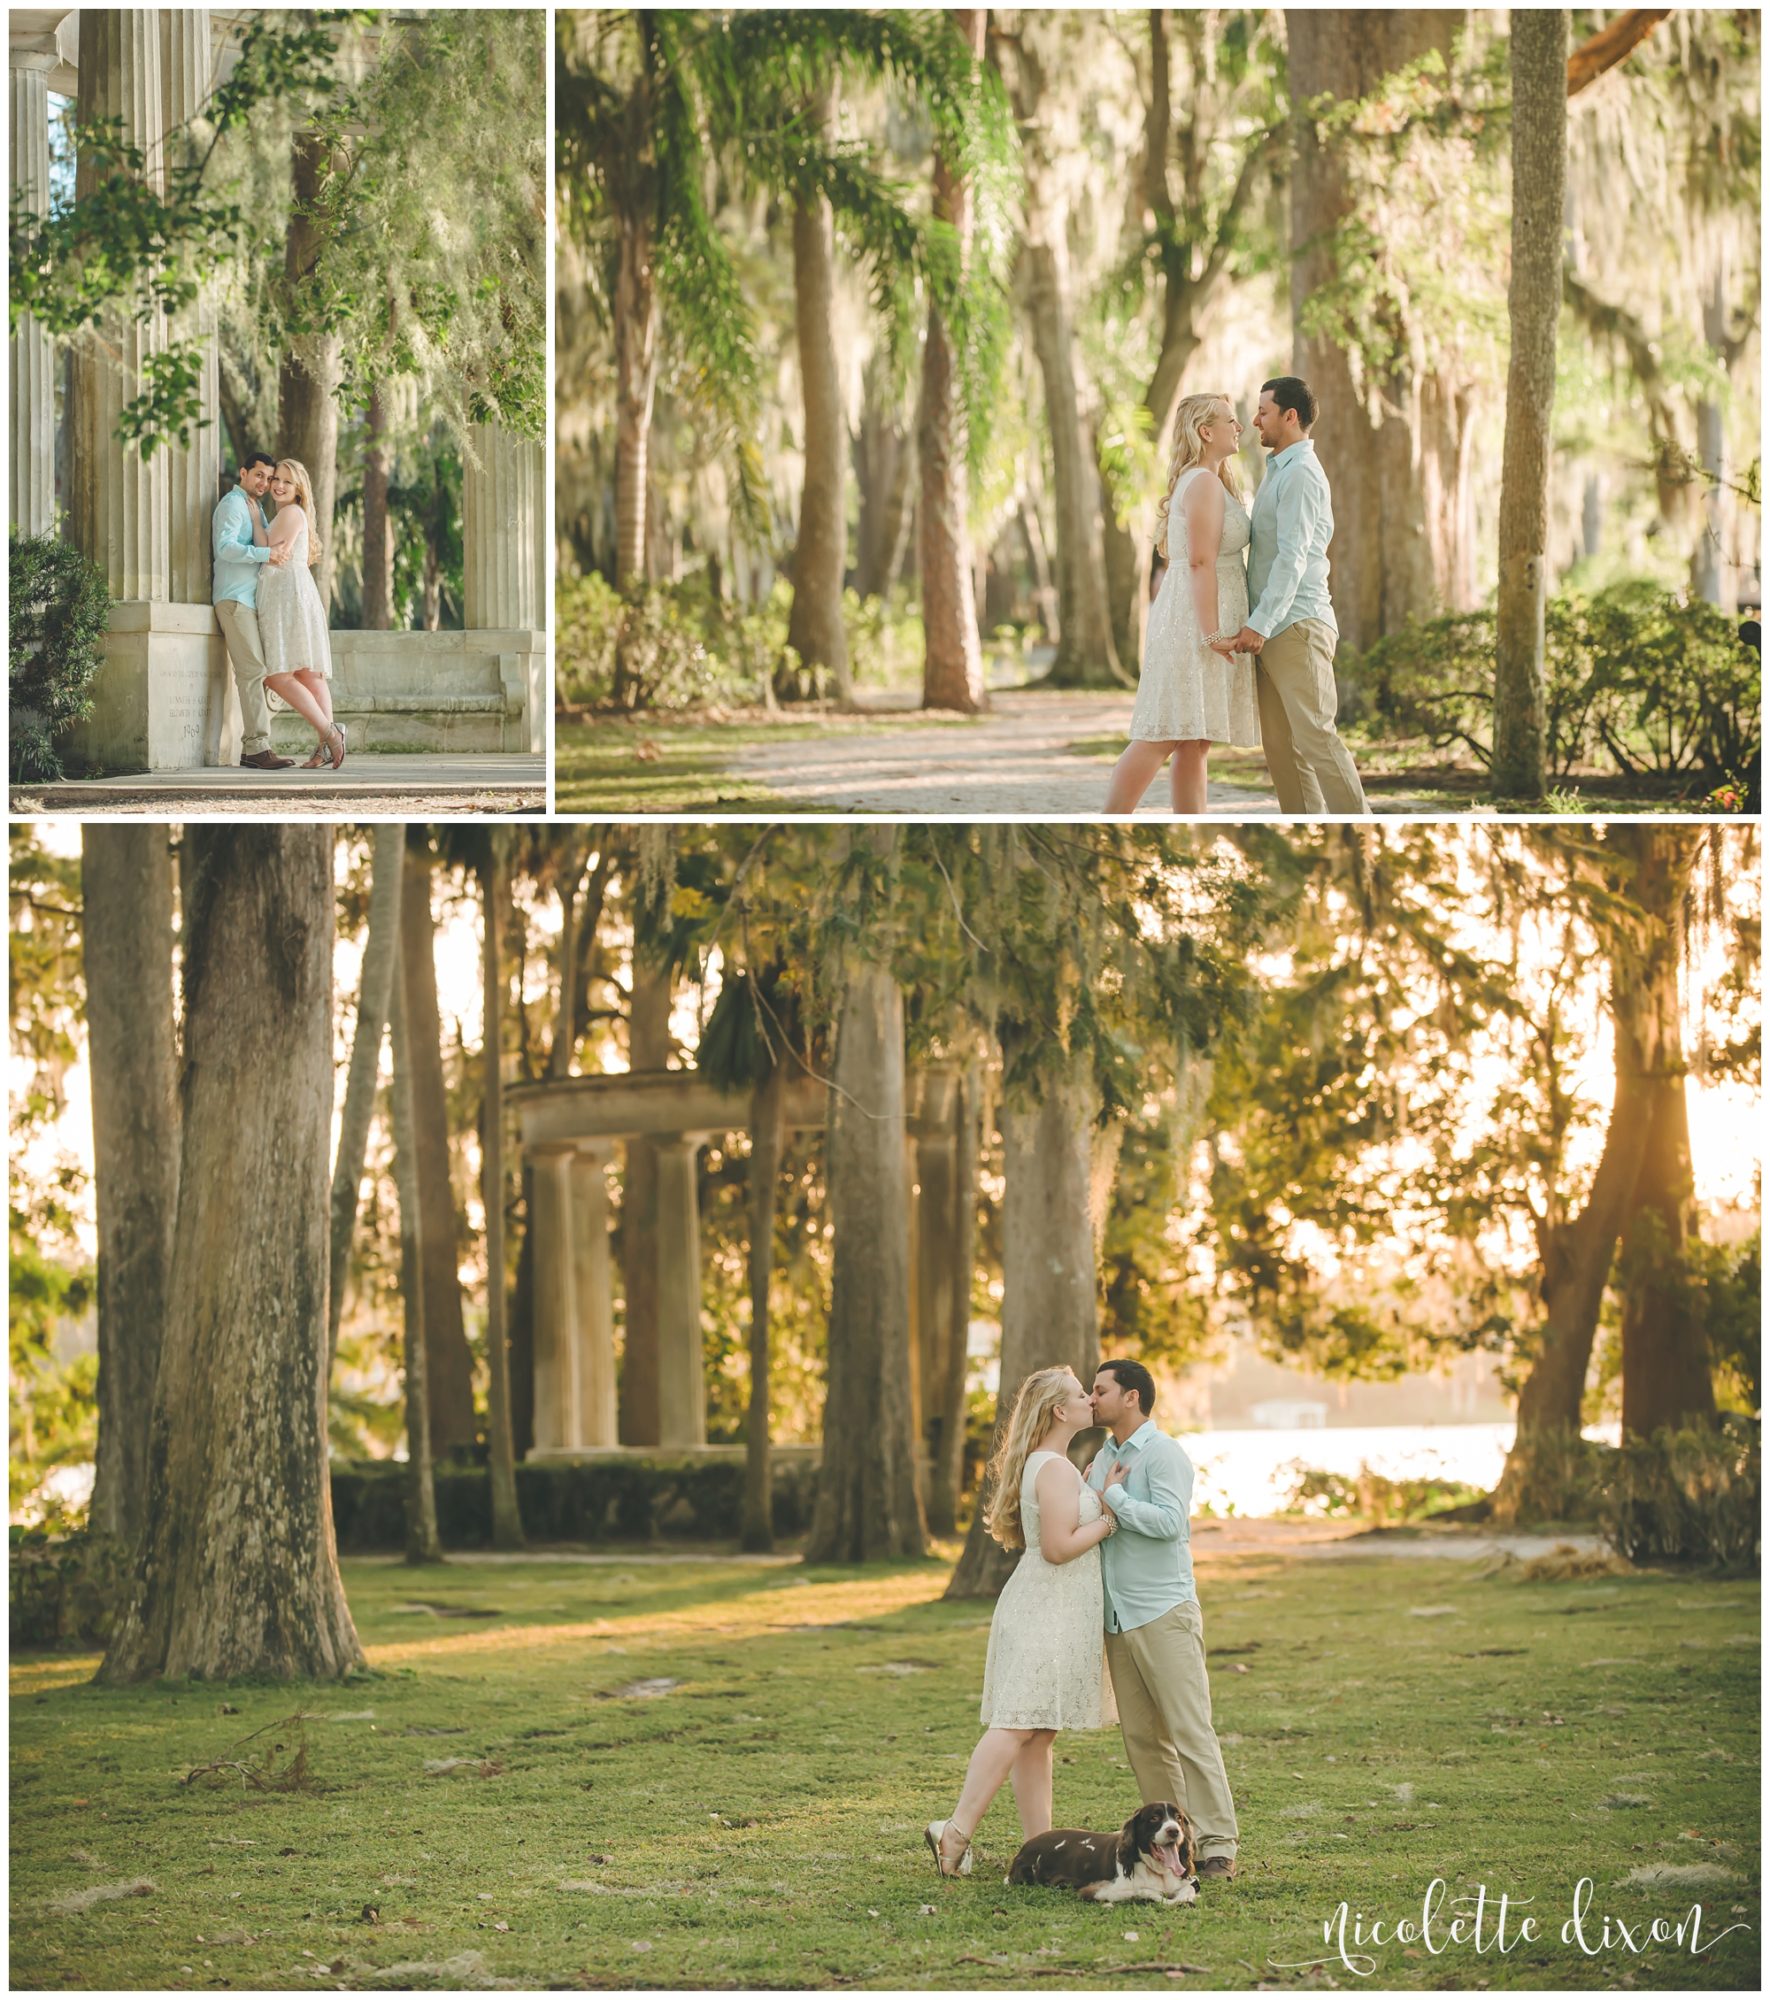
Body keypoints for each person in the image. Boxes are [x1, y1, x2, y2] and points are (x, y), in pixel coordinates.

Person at [925, 1366, 1117, 1879]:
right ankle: (955, 1832)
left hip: (1051, 1607)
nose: (1089, 1402)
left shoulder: (1055, 1464)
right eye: (1081, 1396)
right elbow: (1057, 1549)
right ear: (1060, 1410)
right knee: (1015, 1723)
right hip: (1045, 1610)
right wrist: (1108, 1519)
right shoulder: (1052, 1468)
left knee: (1039, 1733)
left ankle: (1040, 1848)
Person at [1086, 1358, 1240, 1883]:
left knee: (1190, 1731)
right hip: (1118, 1618)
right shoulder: (1102, 1456)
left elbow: (1172, 1525)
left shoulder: (1163, 1453)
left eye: (1101, 1390)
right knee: (1143, 1740)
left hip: (1164, 1611)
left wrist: (1116, 1497)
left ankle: (1218, 1845)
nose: (1092, 1398)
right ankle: (1170, 1846)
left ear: (1131, 1397)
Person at [1104, 393, 1261, 815]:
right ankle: (1112, 818)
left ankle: (1192, 823)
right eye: (1231, 420)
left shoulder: (1210, 479)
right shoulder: (1204, 482)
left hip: (1199, 613)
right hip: (1194, 620)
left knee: (1195, 737)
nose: (1240, 427)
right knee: (1165, 731)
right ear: (1206, 431)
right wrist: (1211, 633)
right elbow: (1199, 560)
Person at [1224, 376, 1369, 816]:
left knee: (1316, 738)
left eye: (1263, 412)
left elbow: (1294, 559)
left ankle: (1359, 830)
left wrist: (1259, 623)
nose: (1254, 421)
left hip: (1296, 625)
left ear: (1290, 416)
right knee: (1283, 752)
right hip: (1270, 628)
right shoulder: (1278, 470)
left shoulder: (1302, 474)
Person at [259, 458, 346, 770]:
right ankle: (326, 745)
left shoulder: (290, 513)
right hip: (297, 591)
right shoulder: (293, 513)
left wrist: (253, 518)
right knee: (309, 674)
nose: (278, 486)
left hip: (286, 594)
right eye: (276, 480)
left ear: (298, 490)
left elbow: (264, 549)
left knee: (277, 675)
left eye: (287, 481)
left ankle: (329, 733)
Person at [212, 451, 295, 771]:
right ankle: (257, 748)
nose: (265, 483)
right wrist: (266, 554)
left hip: (249, 601)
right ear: (244, 473)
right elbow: (225, 547)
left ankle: (254, 748)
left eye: (269, 478)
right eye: (259, 475)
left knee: (257, 672)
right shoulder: (233, 505)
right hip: (233, 601)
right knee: (253, 671)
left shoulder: (254, 507)